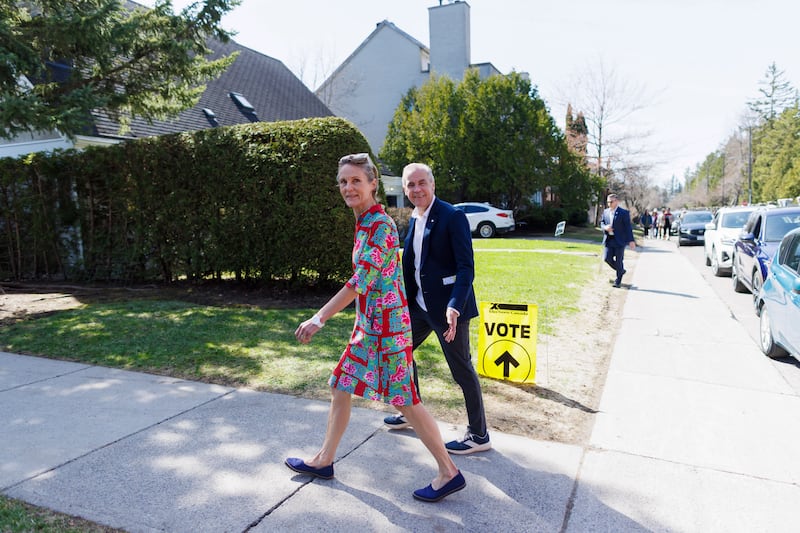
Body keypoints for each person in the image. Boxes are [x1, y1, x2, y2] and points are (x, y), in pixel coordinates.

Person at [286, 153, 465, 503]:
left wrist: (319, 317)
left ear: (372, 184)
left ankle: (449, 471)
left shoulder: (380, 227)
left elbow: (360, 281)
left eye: (356, 181)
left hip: (387, 334)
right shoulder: (364, 223)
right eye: (343, 182)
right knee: (341, 383)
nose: (348, 187)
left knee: (406, 401)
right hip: (370, 329)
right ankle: (324, 460)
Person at [382, 162, 490, 455]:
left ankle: (479, 435)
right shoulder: (414, 218)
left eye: (421, 183)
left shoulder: (451, 216)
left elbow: (466, 267)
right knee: (400, 352)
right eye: (411, 185)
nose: (417, 189)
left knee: (462, 370)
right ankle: (410, 411)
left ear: (432, 185)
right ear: (404, 189)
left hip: (447, 312)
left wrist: (455, 305)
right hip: (419, 307)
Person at [600, 193, 635, 288]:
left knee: (619, 260)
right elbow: (602, 223)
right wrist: (605, 227)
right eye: (608, 202)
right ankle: (621, 271)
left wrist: (631, 240)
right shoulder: (606, 212)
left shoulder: (623, 213)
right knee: (607, 258)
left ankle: (618, 281)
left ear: (616, 202)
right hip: (609, 240)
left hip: (620, 241)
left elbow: (628, 227)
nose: (609, 204)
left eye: (611, 202)